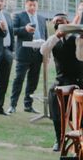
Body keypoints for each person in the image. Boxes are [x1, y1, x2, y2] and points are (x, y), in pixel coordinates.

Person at [39, 13, 83, 151]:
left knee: (79, 112)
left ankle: (79, 140)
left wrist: (81, 41)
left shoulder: (76, 39)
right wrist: (57, 36)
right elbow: (43, 50)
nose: (58, 23)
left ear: (68, 23)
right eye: (55, 22)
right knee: (54, 101)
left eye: (61, 21)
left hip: (78, 80)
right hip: (61, 80)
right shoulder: (54, 40)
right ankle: (59, 139)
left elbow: (80, 57)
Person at [8, 0, 47, 114]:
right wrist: (24, 29)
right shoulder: (19, 16)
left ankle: (28, 105)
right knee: (19, 79)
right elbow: (12, 31)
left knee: (33, 81)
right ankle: (12, 105)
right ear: (25, 4)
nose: (32, 7)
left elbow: (45, 35)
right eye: (30, 4)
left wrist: (47, 52)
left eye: (34, 5)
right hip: (24, 54)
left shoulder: (41, 18)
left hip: (38, 54)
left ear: (37, 5)